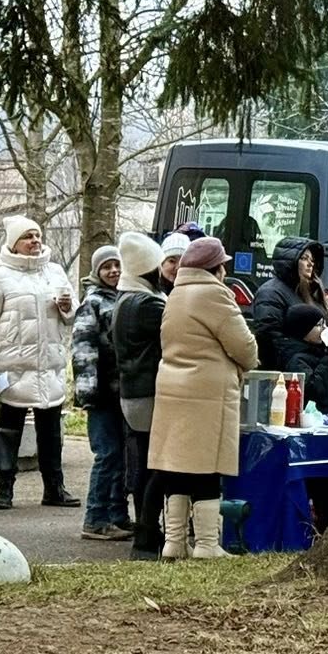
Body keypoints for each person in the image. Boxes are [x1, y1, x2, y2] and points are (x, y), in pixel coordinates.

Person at [150, 236, 259, 560]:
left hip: (172, 389)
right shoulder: (215, 295)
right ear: (217, 268)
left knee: (178, 467)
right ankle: (208, 544)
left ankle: (174, 542)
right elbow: (245, 349)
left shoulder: (175, 295)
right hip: (207, 392)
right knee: (207, 468)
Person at [0, 215, 78, 510]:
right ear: (14, 244)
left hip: (49, 366)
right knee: (9, 431)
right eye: (28, 237)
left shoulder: (55, 271)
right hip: (13, 367)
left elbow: (71, 315)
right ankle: (4, 489)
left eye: (37, 235)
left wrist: (68, 308)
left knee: (51, 433)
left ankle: (54, 489)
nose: (35, 241)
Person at [113, 232, 174, 559]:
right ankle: (147, 532)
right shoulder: (148, 304)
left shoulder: (125, 300)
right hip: (148, 391)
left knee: (144, 464)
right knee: (158, 465)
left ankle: (147, 530)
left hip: (133, 393)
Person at [71, 244, 131, 540]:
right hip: (101, 391)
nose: (114, 271)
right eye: (107, 267)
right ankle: (95, 518)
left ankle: (118, 515)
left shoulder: (124, 297)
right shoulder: (92, 302)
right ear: (97, 272)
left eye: (117, 265)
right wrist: (87, 390)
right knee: (106, 454)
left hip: (122, 389)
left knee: (121, 455)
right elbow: (82, 348)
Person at [250, 237, 328, 368]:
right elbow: (269, 338)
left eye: (312, 260)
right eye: (304, 259)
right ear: (290, 262)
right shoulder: (271, 292)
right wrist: (306, 355)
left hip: (310, 368)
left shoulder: (309, 291)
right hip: (287, 373)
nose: (310, 264)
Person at [278, 302, 328, 415]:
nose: (323, 328)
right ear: (304, 330)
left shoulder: (318, 352)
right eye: (318, 325)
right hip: (314, 419)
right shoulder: (297, 359)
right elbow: (315, 389)